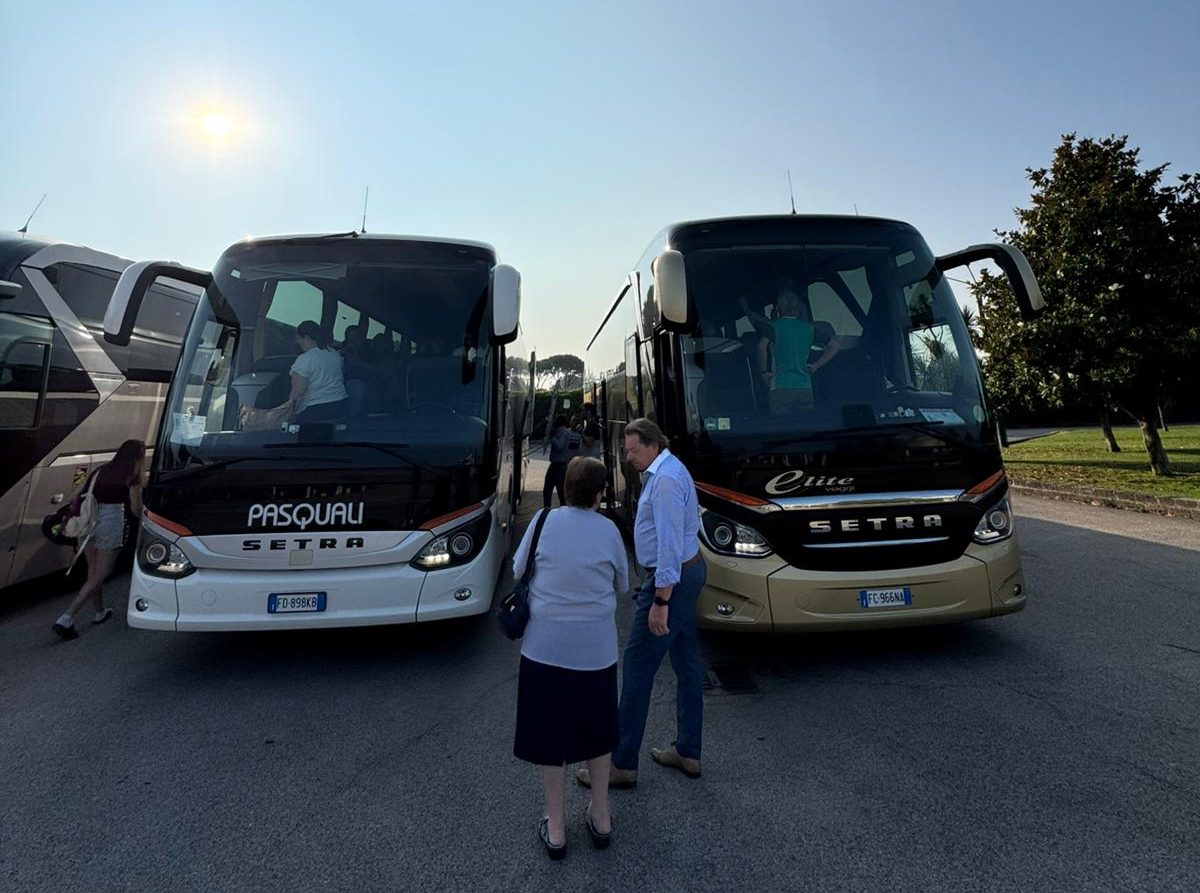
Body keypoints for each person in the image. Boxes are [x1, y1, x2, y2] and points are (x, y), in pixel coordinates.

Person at [576, 417, 707, 790]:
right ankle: (688, 751)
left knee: (637, 666)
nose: (627, 456)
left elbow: (667, 546)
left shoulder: (664, 481)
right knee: (686, 663)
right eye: (626, 450)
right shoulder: (670, 469)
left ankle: (623, 763)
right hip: (688, 571)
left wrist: (660, 600)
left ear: (653, 444)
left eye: (633, 449)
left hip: (671, 581)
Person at [513, 457, 627, 859]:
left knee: (548, 737)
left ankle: (556, 828)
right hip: (596, 653)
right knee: (597, 734)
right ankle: (601, 817)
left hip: (544, 649)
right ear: (600, 493)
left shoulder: (543, 522)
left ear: (565, 486)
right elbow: (623, 582)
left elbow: (517, 571)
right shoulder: (610, 530)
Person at [52, 439, 146, 641]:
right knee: (103, 572)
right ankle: (67, 616)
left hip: (88, 520)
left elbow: (75, 495)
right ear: (138, 457)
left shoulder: (100, 471)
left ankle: (100, 612)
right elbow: (136, 510)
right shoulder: (133, 476)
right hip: (111, 521)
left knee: (93, 571)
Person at [741, 286, 840, 414]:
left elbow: (761, 347)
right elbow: (835, 346)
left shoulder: (772, 326)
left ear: (777, 308)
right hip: (805, 388)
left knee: (782, 429)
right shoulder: (808, 328)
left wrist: (764, 372)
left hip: (780, 387)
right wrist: (816, 366)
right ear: (797, 307)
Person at [288, 320, 349, 422]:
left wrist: (289, 412)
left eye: (299, 339)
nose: (298, 343)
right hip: (340, 405)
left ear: (307, 338)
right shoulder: (335, 354)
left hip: (315, 411)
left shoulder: (305, 359)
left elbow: (299, 390)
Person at [543, 415, 581, 508]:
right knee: (548, 490)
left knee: (559, 491)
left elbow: (560, 446)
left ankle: (558, 508)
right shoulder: (561, 432)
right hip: (555, 465)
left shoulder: (564, 433)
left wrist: (552, 439)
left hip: (560, 466)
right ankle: (549, 507)